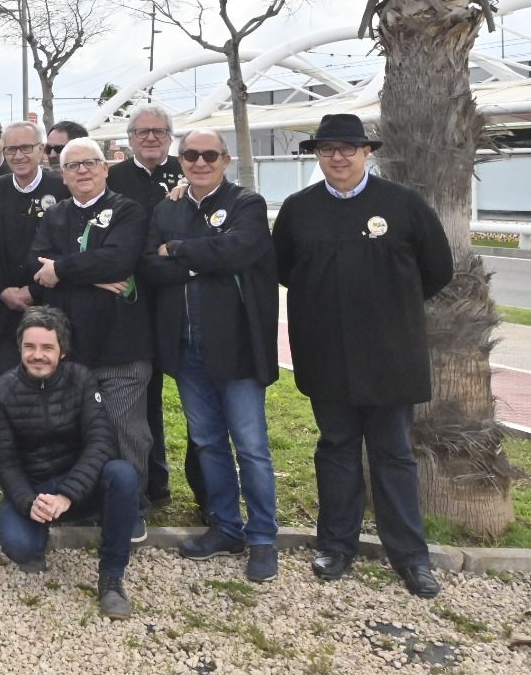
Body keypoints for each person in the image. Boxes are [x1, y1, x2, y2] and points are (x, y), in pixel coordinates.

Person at [273, 114, 452, 599]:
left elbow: (437, 268)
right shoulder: (298, 209)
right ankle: (335, 545)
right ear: (317, 154)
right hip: (326, 353)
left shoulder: (403, 204)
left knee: (393, 454)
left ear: (366, 153)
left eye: (348, 148)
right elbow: (286, 268)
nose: (338, 156)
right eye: (328, 148)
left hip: (391, 355)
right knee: (336, 450)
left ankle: (411, 558)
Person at [142, 129, 280, 583]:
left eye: (208, 155)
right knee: (207, 443)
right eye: (190, 155)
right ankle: (225, 527)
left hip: (236, 347)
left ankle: (262, 537)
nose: (199, 163)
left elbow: (239, 250)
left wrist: (181, 251)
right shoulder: (167, 208)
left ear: (225, 159)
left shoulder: (246, 203)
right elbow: (150, 267)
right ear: (179, 161)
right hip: (186, 349)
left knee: (253, 447)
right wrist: (204, 261)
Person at [0, 306, 140, 620]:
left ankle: (111, 576)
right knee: (21, 548)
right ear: (20, 349)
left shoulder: (82, 380)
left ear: (62, 352)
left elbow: (102, 443)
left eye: (47, 347)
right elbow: (3, 458)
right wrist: (28, 501)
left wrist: (68, 494)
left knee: (123, 474)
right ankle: (38, 532)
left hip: (79, 486)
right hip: (35, 487)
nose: (37, 355)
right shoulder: (1, 390)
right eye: (30, 347)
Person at [31, 137, 153, 515]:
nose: (82, 170)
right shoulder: (54, 216)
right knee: (74, 432)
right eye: (72, 166)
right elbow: (35, 268)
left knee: (125, 431)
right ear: (62, 176)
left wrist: (63, 270)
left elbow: (119, 260)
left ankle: (128, 507)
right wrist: (91, 275)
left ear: (105, 168)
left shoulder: (128, 211)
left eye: (90, 163)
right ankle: (82, 503)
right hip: (70, 350)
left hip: (121, 347)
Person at [105, 103, 197, 511]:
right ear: (130, 138)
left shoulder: (190, 169)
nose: (150, 138)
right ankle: (152, 482)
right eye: (142, 132)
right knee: (146, 397)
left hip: (184, 298)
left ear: (170, 136)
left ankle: (205, 491)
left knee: (198, 402)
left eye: (159, 131)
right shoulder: (114, 177)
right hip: (132, 300)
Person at [0, 120, 65, 488]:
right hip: (3, 309)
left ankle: (51, 466)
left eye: (27, 148)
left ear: (42, 150)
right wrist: (2, 290)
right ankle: (8, 466)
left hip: (52, 307)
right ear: (3, 153)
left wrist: (33, 291)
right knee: (9, 389)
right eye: (12, 150)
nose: (20, 155)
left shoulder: (61, 187)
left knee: (52, 390)